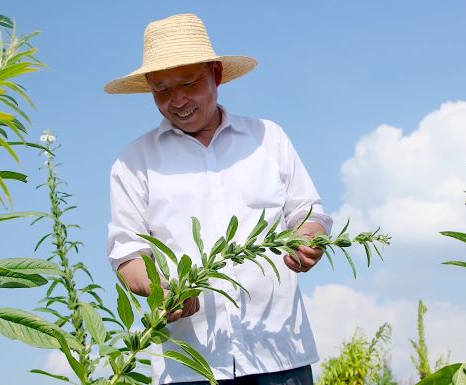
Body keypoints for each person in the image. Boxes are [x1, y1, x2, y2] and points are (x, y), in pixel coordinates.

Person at [105, 13, 332, 385]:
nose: (177, 100)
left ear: (216, 74)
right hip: (191, 365)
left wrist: (308, 238)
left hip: (279, 354)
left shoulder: (268, 138)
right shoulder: (134, 162)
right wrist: (161, 287)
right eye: (161, 89)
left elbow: (309, 213)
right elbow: (127, 254)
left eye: (188, 83)